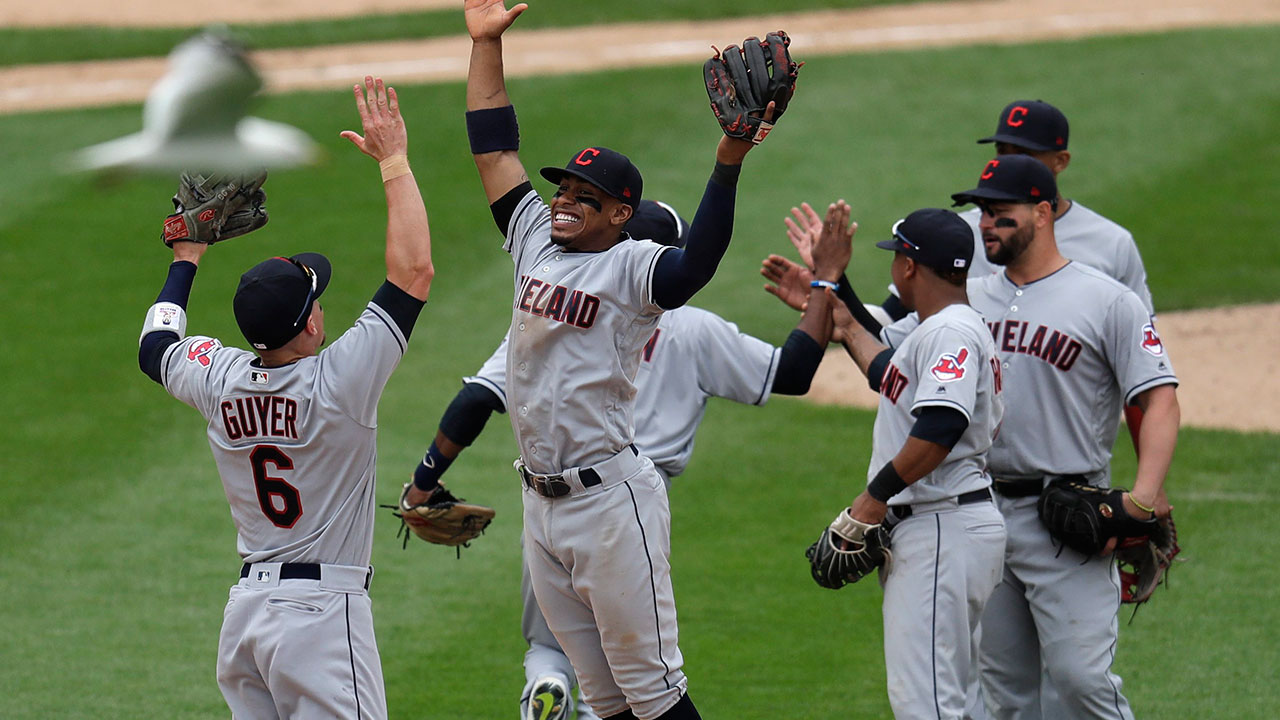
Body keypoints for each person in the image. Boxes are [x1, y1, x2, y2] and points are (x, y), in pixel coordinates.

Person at [459, 1, 803, 716]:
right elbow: (494, 147)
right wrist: (486, 46)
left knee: (654, 694)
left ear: (622, 214)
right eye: (563, 189)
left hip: (610, 507)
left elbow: (698, 262)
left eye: (588, 198)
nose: (565, 202)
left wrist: (729, 160)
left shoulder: (634, 270)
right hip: (541, 505)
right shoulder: (531, 238)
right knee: (606, 700)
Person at [406, 200, 832, 720]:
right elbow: (792, 372)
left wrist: (423, 483)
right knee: (645, 683)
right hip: (626, 512)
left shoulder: (549, 310)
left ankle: (546, 682)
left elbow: (476, 399)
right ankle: (575, 700)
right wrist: (823, 287)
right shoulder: (692, 328)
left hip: (547, 503)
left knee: (556, 649)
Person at [136, 76, 434, 719]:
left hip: (245, 621)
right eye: (317, 298)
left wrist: (186, 256)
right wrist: (395, 162)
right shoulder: (340, 383)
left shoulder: (218, 378)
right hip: (320, 619)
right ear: (310, 325)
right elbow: (412, 272)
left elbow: (155, 348)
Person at [939, 154, 1178, 720]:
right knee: (1007, 697)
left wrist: (1143, 500)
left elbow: (1159, 396)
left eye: (1000, 213)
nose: (985, 225)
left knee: (1080, 682)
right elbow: (890, 350)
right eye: (981, 213)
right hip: (986, 515)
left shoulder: (1107, 300)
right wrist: (833, 300)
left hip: (1068, 516)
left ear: (1043, 212)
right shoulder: (967, 298)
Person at [813, 200, 1007, 718]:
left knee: (928, 705)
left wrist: (872, 499)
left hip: (941, 523)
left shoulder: (949, 332)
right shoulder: (939, 330)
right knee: (947, 699)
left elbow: (942, 425)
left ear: (908, 267)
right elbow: (888, 375)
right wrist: (838, 310)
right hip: (943, 524)